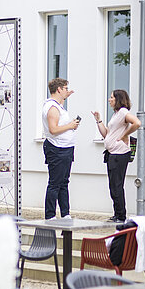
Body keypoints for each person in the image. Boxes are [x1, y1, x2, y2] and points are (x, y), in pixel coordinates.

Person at [92, 89, 141, 223]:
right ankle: (117, 213)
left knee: (116, 185)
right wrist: (98, 121)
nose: (109, 99)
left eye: (112, 97)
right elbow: (107, 134)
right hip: (112, 153)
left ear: (118, 99)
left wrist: (125, 135)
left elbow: (137, 123)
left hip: (119, 154)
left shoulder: (124, 112)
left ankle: (121, 216)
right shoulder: (116, 114)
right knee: (113, 185)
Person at [42, 78, 79, 220]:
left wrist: (65, 97)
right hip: (58, 149)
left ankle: (65, 214)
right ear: (58, 89)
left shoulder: (58, 105)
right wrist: (70, 126)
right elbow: (53, 129)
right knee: (55, 183)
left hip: (65, 148)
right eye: (65, 88)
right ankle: (50, 215)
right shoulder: (52, 108)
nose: (66, 91)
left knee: (64, 182)